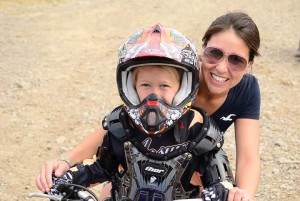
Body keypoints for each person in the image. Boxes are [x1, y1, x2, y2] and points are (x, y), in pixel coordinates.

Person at [36, 11, 261, 201]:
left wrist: (240, 195)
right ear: (202, 51)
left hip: (190, 168)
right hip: (141, 157)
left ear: (249, 64)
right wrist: (67, 161)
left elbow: (248, 156)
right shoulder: (170, 71)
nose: (221, 68)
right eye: (214, 53)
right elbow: (116, 132)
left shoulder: (239, 94)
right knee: (119, 183)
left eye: (236, 60)